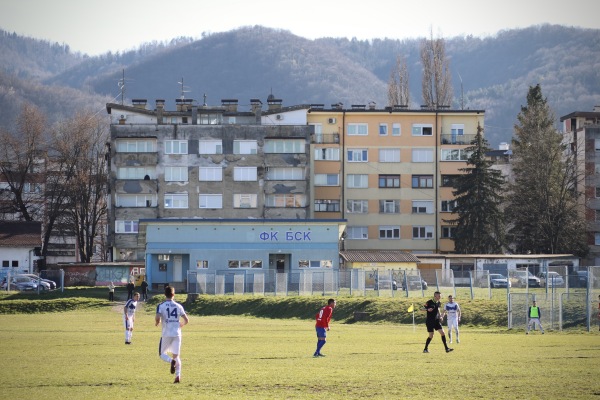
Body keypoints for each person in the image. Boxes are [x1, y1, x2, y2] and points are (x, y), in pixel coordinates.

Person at [156, 286, 189, 384]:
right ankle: (178, 376)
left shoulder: (161, 305)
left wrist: (157, 322)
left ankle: (171, 362)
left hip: (166, 333)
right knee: (176, 356)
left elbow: (157, 317)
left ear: (164, 294)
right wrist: (181, 325)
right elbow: (186, 320)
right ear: (173, 295)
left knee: (162, 354)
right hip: (177, 334)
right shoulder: (179, 306)